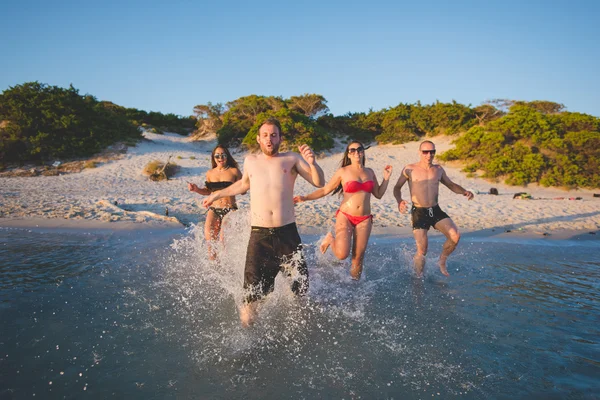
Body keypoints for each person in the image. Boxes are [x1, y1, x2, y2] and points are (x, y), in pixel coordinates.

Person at [202, 117, 325, 327]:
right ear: (259, 139)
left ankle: (299, 333)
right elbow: (242, 186)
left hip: (287, 234)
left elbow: (319, 182)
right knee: (251, 297)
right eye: (265, 135)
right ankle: (247, 342)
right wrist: (216, 195)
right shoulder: (251, 161)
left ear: (280, 138)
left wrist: (313, 163)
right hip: (259, 237)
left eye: (274, 135)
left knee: (300, 291)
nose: (270, 139)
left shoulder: (291, 159)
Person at [294, 141, 392, 280]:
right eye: (352, 150)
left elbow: (378, 194)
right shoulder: (343, 172)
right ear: (348, 154)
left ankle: (355, 287)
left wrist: (386, 179)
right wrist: (305, 197)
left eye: (359, 149)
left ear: (363, 152)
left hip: (364, 219)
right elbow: (325, 190)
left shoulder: (370, 172)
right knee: (341, 254)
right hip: (345, 216)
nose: (356, 152)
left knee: (358, 258)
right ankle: (330, 239)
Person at [393, 140, 474, 277]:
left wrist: (464, 191)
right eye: (425, 152)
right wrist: (399, 200)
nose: (429, 155)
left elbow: (451, 185)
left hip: (435, 210)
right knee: (422, 251)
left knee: (455, 236)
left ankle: (442, 261)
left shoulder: (438, 169)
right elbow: (397, 188)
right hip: (419, 212)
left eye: (432, 152)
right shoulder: (409, 169)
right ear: (420, 152)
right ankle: (418, 278)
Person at [188, 145, 242, 259]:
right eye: (217, 155)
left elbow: (243, 189)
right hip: (214, 209)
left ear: (227, 156)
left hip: (230, 209)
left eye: (223, 155)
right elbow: (208, 192)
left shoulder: (234, 171)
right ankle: (213, 270)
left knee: (223, 241)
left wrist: (240, 188)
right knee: (210, 243)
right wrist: (196, 189)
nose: (220, 157)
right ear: (214, 157)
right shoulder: (210, 173)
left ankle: (227, 268)